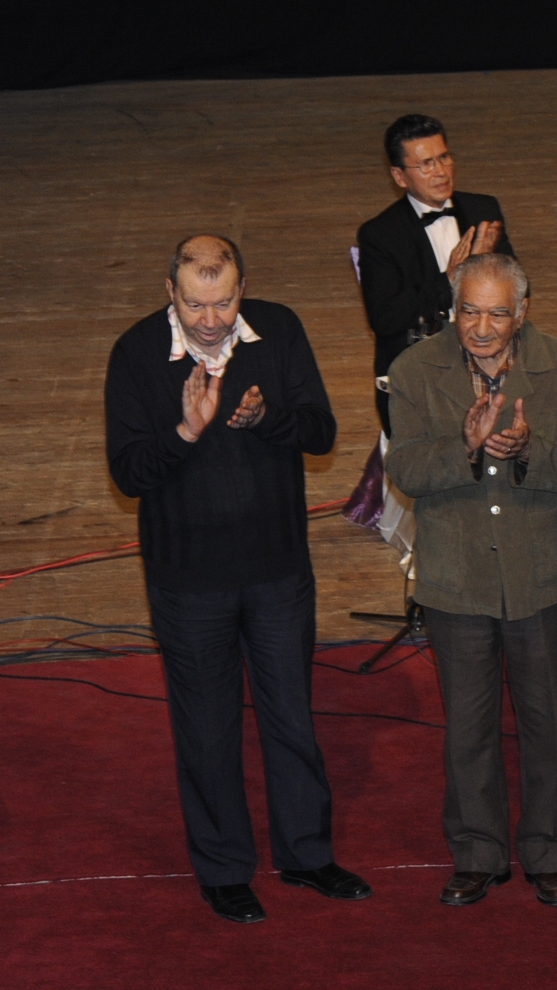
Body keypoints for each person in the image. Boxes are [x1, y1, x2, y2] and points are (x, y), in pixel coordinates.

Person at [104, 235, 364, 924]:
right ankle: (222, 869)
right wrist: (185, 433)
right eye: (196, 304)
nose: (211, 319)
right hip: (189, 582)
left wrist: (266, 418)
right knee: (207, 730)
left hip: (278, 571)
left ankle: (307, 855)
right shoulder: (135, 353)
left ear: (242, 290)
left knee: (292, 719)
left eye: (223, 303)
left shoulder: (278, 330)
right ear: (171, 293)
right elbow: (128, 473)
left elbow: (321, 431)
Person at [384, 253, 557, 907]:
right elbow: (406, 472)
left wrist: (528, 450)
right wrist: (465, 447)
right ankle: (478, 852)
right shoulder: (413, 370)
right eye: (468, 311)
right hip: (457, 578)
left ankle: (548, 850)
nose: (480, 327)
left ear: (522, 312)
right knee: (468, 727)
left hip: (539, 575)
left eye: (497, 314)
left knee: (546, 722)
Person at [356, 114, 513, 432]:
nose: (441, 171)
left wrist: (486, 268)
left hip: (492, 370)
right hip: (422, 382)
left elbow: (521, 290)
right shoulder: (380, 234)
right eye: (426, 164)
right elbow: (386, 319)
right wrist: (452, 278)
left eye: (444, 157)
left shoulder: (483, 210)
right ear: (399, 176)